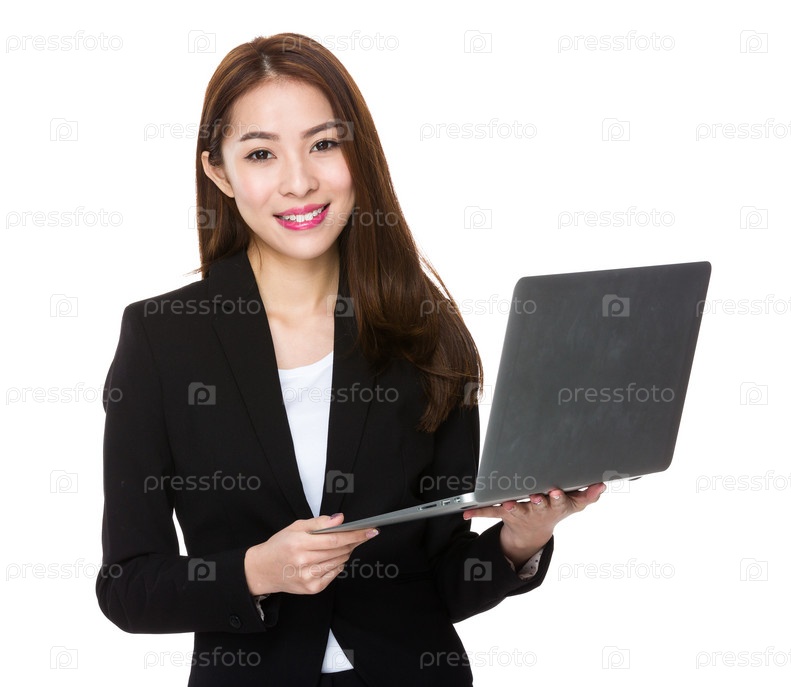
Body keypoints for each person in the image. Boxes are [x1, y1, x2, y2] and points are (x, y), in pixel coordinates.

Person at [96, 32, 605, 687]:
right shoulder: (161, 339)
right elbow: (127, 586)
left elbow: (442, 586)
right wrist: (257, 571)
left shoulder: (425, 329)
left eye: (324, 144)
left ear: (357, 152)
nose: (300, 181)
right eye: (261, 153)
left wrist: (520, 540)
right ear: (219, 172)